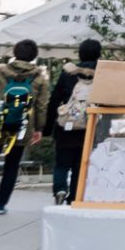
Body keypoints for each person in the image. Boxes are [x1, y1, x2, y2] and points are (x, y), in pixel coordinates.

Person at [0, 39, 50, 215]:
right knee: (12, 165)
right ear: (34, 56)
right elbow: (41, 107)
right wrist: (39, 129)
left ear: (15, 53)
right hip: (22, 125)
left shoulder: (0, 74)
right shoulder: (39, 79)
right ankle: (0, 205)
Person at [44, 38, 99, 205]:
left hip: (66, 126)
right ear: (99, 54)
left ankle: (60, 189)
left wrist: (47, 128)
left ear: (80, 53)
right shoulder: (103, 74)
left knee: (62, 163)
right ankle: (74, 196)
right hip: (90, 125)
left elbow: (55, 99)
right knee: (79, 165)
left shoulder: (68, 73)